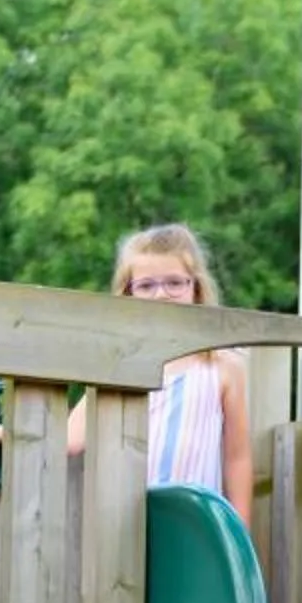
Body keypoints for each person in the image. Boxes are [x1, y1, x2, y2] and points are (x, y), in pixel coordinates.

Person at [68, 223, 254, 521]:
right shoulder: (117, 365)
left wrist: (239, 534)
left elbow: (237, 457)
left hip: (195, 523)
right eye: (146, 286)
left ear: (196, 288)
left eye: (174, 283)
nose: (160, 295)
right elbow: (71, 439)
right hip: (124, 522)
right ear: (128, 294)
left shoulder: (222, 366)